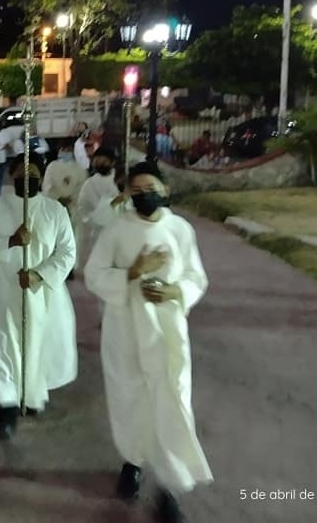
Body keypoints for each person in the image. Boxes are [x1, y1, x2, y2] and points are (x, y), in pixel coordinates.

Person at [83, 161, 212, 523]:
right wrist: (134, 271)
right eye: (136, 191)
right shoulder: (116, 229)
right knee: (129, 400)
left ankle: (168, 489)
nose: (144, 196)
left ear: (166, 190)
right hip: (125, 329)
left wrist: (175, 290)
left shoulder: (180, 229)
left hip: (166, 331)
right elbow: (94, 274)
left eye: (150, 189)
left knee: (172, 400)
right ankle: (132, 461)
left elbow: (195, 277)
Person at [0, 152, 76, 440]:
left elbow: (67, 252)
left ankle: (29, 395)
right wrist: (11, 241)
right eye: (20, 172)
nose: (26, 178)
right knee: (0, 347)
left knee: (34, 346)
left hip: (41, 294)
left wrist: (39, 275)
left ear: (41, 179)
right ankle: (3, 408)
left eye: (32, 174)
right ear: (12, 176)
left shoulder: (55, 210)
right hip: (2, 290)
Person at [42, 141, 88, 278]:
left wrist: (70, 199)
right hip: (54, 206)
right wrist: (57, 198)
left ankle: (70, 267)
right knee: (53, 236)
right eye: (63, 148)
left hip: (72, 207)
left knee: (72, 237)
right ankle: (53, 265)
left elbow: (82, 188)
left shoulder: (80, 169)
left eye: (68, 149)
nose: (65, 151)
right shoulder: (52, 166)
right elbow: (47, 185)